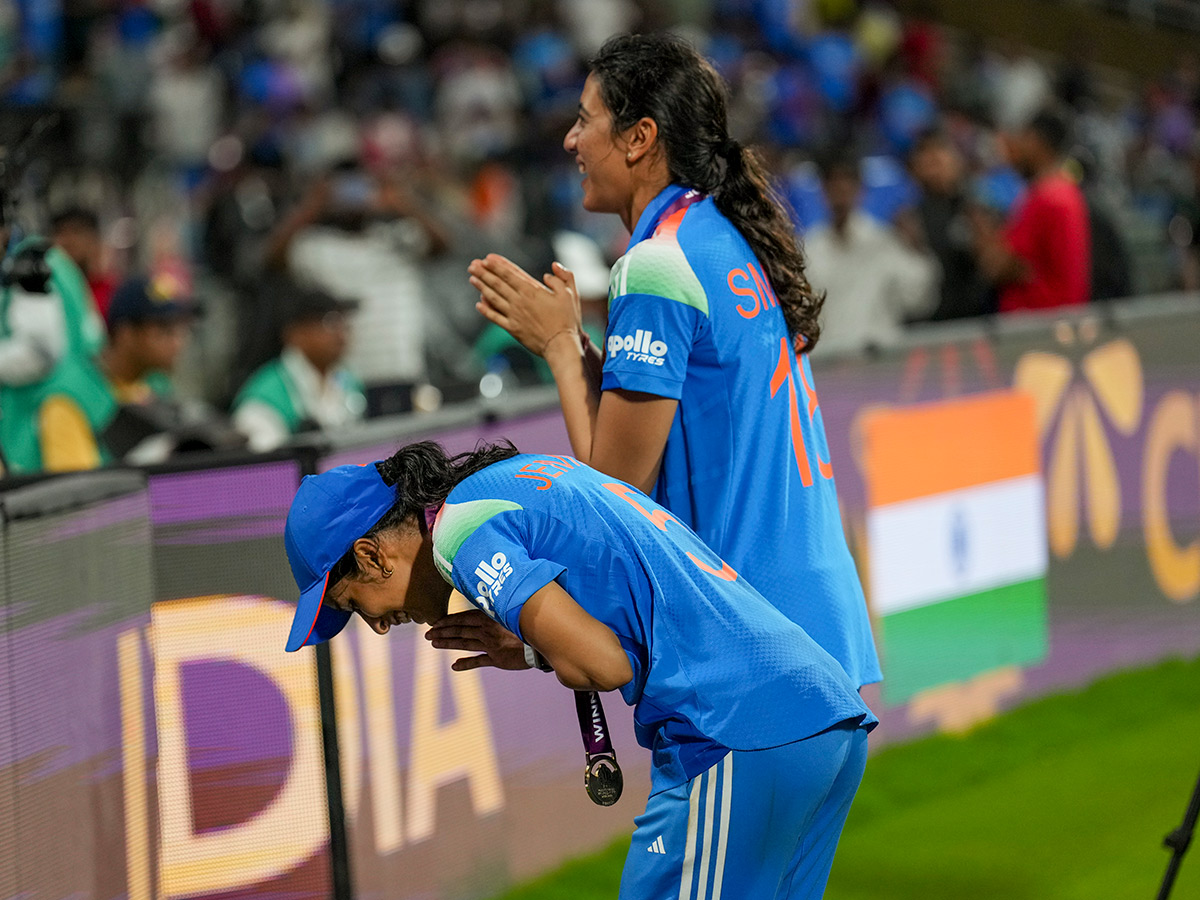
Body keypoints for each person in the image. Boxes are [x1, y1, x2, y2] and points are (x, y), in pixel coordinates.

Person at [282, 440, 877, 899]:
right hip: (817, 716)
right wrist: (535, 646)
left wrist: (541, 644)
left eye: (354, 606)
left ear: (370, 555)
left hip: (736, 730)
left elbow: (602, 663)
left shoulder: (459, 532)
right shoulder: (516, 477)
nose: (380, 626)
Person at [468, 33, 880, 690]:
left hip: (749, 662)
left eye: (585, 119)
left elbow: (617, 501)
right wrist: (579, 347)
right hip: (813, 637)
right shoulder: (725, 237)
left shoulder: (656, 264)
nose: (571, 141)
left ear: (639, 137)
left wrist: (560, 351)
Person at [19, 274, 197, 471]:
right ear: (126, 333)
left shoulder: (155, 384)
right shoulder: (69, 397)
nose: (178, 342)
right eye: (164, 329)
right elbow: (76, 491)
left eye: (181, 329)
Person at [802, 151, 938, 355]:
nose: (840, 190)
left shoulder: (884, 241)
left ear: (860, 190)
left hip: (880, 362)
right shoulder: (809, 248)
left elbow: (919, 301)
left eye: (847, 182)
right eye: (833, 183)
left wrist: (917, 250)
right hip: (829, 364)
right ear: (823, 190)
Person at [972, 107, 1092, 313]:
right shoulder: (1065, 192)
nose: (1016, 147)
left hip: (1037, 327)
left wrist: (980, 227)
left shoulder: (1047, 197)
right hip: (1056, 323)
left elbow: (997, 266)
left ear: (1036, 140)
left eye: (1022, 138)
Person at [232, 287, 366, 452]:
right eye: (329, 322)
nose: (340, 334)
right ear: (295, 333)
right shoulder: (263, 400)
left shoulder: (348, 382)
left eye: (343, 322)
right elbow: (267, 469)